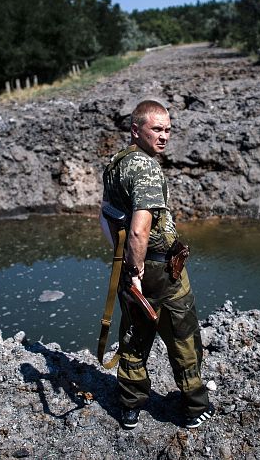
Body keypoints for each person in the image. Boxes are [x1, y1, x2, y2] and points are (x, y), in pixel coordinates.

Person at [100, 97, 213, 430]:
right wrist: (138, 273)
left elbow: (106, 214)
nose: (164, 136)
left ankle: (130, 405)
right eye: (157, 129)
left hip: (129, 265)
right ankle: (194, 406)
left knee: (135, 335)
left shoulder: (117, 161)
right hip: (160, 271)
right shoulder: (146, 169)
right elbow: (139, 229)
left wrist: (123, 265)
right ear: (136, 130)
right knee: (183, 335)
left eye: (168, 130)